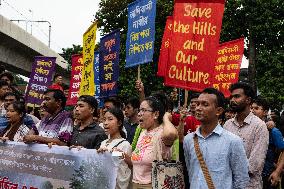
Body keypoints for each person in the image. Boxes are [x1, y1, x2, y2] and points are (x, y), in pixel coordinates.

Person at [183, 88, 249, 188]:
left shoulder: (233, 141)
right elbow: (190, 172)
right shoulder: (188, 140)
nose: (198, 108)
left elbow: (241, 180)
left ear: (218, 111)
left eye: (205, 104)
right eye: (197, 104)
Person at [123, 93, 178, 188]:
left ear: (156, 114)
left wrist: (165, 117)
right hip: (135, 184)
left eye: (143, 110)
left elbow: (171, 134)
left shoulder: (161, 133)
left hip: (153, 185)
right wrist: (118, 153)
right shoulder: (143, 132)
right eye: (140, 110)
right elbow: (136, 161)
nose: (139, 113)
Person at [224, 82, 269, 189]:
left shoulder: (259, 126)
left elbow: (255, 165)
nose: (232, 100)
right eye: (231, 97)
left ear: (248, 100)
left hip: (249, 185)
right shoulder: (227, 124)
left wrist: (229, 169)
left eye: (237, 96)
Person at [252, 97, 284, 189]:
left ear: (265, 112)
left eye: (256, 108)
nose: (252, 111)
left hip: (266, 176)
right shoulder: (248, 129)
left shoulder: (273, 131)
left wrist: (277, 171)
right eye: (251, 108)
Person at [98, 108, 132, 189]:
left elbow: (131, 164)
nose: (105, 123)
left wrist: (111, 153)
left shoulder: (125, 144)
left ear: (119, 123)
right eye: (104, 119)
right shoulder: (103, 143)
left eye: (110, 119)